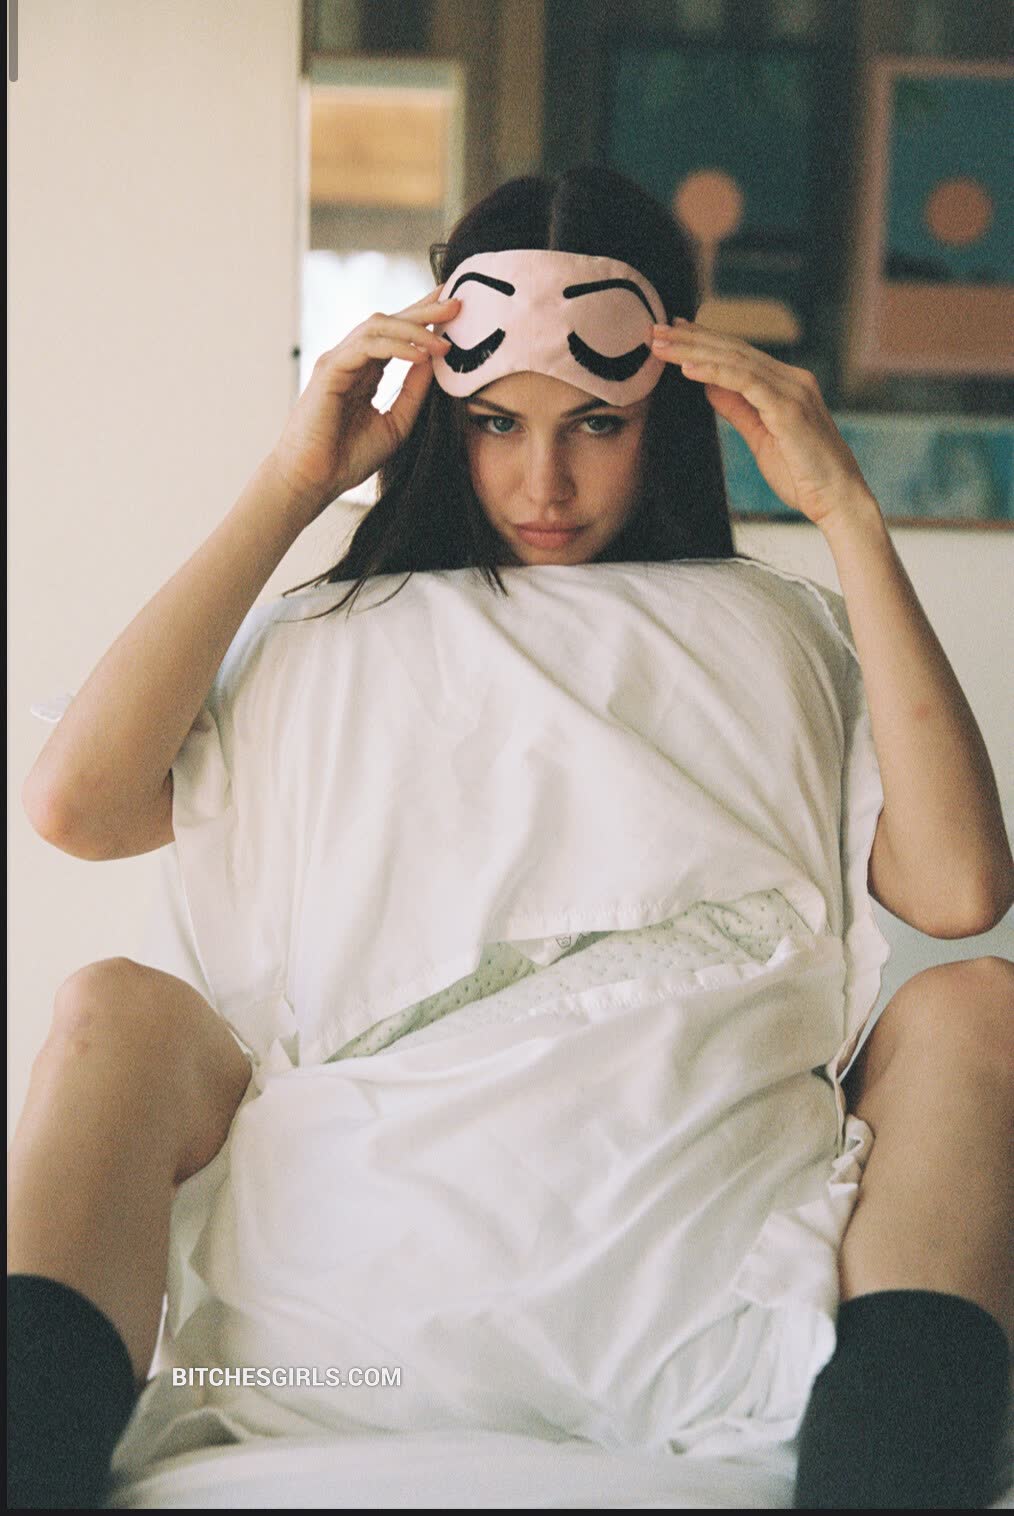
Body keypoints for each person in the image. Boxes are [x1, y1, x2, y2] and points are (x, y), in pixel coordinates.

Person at [9, 165, 1012, 1511]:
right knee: (113, 1006)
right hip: (359, 1252)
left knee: (977, 1005)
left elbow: (957, 892)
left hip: (687, 1208)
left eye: (597, 423)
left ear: (667, 412)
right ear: (441, 413)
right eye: (494, 423)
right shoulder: (320, 642)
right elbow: (74, 808)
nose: (545, 481)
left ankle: (889, 1474)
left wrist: (848, 510)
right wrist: (295, 481)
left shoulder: (778, 633)